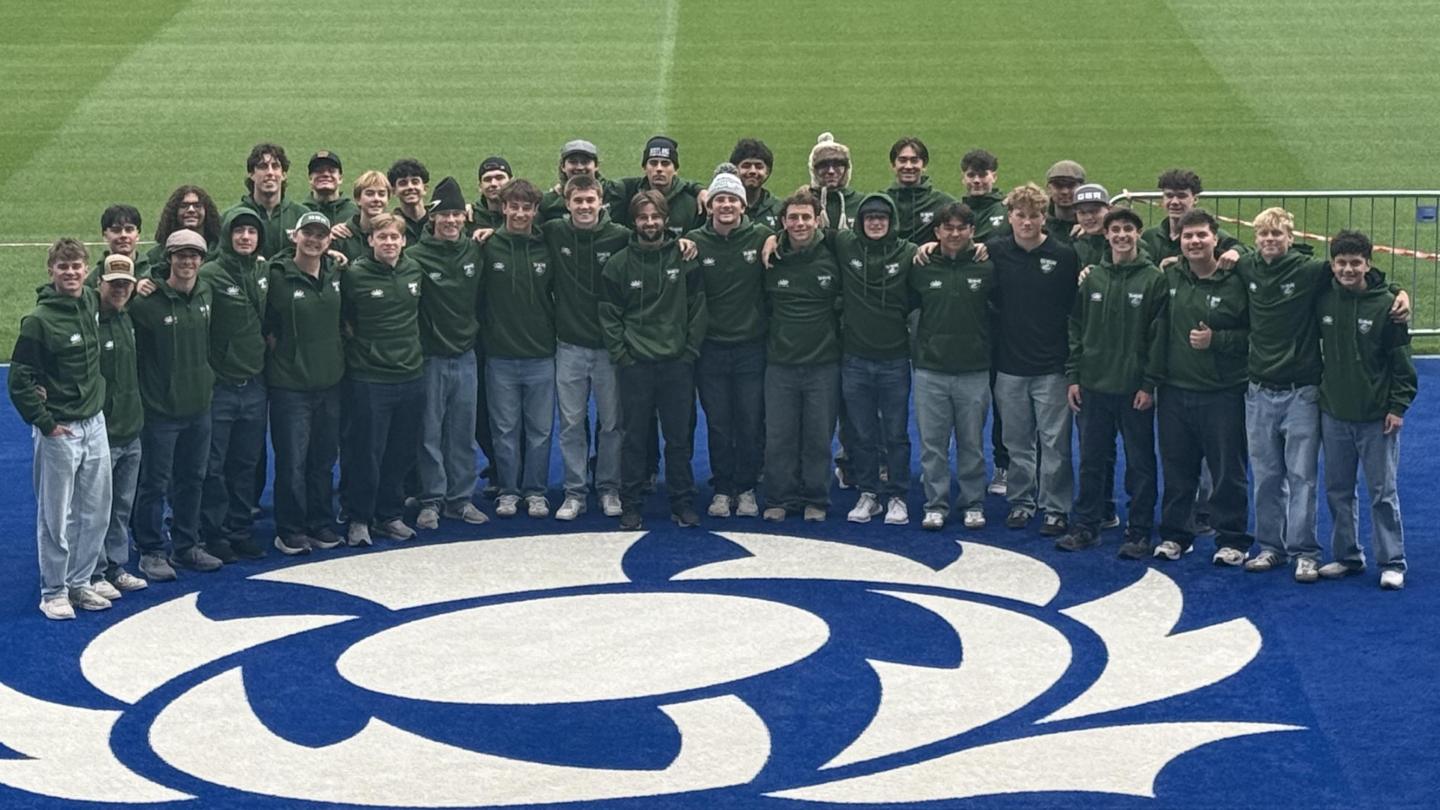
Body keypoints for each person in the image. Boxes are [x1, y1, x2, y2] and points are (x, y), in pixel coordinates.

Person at [1239, 209, 1410, 577]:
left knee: (1362, 488)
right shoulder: (1257, 270)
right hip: (1310, 404)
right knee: (1317, 485)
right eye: (1264, 235)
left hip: (1330, 401)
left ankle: (1376, 559)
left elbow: (1373, 291)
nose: (1347, 270)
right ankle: (1320, 553)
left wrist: (1400, 292)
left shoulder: (1329, 281)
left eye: (1278, 235)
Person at [10, 239, 113, 619]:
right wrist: (46, 423)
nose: (71, 273)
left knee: (96, 511)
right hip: (62, 430)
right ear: (50, 271)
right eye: (63, 266)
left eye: (76, 266)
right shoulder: (38, 321)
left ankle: (80, 583)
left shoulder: (88, 300)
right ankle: (53, 590)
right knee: (56, 515)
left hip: (94, 422)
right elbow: (19, 380)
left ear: (87, 270)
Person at [1058, 207, 1167, 557]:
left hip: (1133, 389)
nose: (1121, 235)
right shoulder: (1092, 278)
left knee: (1140, 464)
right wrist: (1074, 375)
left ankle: (1139, 532)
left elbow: (1158, 337)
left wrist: (1149, 384)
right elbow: (1075, 327)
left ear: (1138, 234)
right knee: (1092, 459)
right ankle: (1087, 525)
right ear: (1106, 235)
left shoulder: (1153, 280)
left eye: (1128, 230)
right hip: (1093, 386)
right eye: (1115, 230)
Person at [599, 190, 707, 530]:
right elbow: (609, 314)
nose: (650, 223)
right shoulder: (618, 264)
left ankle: (682, 501)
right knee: (634, 437)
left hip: (676, 363)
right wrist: (622, 355)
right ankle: (631, 503)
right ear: (635, 221)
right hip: (636, 365)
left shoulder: (684, 256)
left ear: (665, 219)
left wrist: (688, 352)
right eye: (643, 217)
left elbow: (698, 308)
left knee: (678, 439)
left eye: (655, 217)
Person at [1315, 230, 1416, 590]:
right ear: (1332, 264)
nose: (1348, 269)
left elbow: (1403, 366)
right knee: (1337, 489)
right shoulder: (1323, 298)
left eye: (1355, 262)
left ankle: (1392, 561)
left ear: (1368, 264)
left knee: (1382, 492)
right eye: (1341, 262)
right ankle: (1347, 556)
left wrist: (1397, 407)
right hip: (1334, 412)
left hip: (1376, 417)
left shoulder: (1387, 306)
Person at [1153, 209, 1254, 564]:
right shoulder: (1168, 276)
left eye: (1201, 236)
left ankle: (1233, 539)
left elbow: (1257, 334)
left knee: (1227, 470)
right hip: (1174, 391)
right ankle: (1176, 536)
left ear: (1216, 239)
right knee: (1178, 470)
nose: (1194, 242)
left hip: (1222, 391)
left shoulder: (1236, 280)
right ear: (1179, 241)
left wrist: (1218, 340)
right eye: (1187, 236)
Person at [989, 183, 1079, 536]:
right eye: (1020, 215)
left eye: (1034, 216)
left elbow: (1074, 308)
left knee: (1054, 443)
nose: (1027, 222)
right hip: (1009, 366)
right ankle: (1021, 502)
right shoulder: (994, 251)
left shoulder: (1064, 255)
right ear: (1009, 216)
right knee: (1017, 442)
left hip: (1051, 367)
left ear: (1045, 217)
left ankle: (1055, 507)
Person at [129, 230, 218, 579]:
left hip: (199, 407)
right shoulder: (145, 303)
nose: (188, 262)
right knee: (154, 482)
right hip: (161, 412)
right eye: (181, 255)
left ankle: (186, 546)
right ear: (169, 258)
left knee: (193, 478)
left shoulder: (206, 293)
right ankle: (150, 549)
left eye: (194, 255)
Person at [542, 175, 631, 520]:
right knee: (571, 424)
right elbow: (517, 224)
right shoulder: (554, 232)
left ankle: (609, 488)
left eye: (589, 200)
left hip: (608, 349)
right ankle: (575, 492)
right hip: (569, 347)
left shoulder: (620, 236)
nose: (584, 207)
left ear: (601, 202)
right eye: (577, 200)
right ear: (567, 203)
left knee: (611, 423)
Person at [688, 165, 773, 519]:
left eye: (733, 200)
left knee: (750, 422)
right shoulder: (695, 242)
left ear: (743, 206)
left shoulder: (761, 237)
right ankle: (722, 488)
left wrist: (773, 238)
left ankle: (747, 487)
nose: (726, 205)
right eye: (720, 199)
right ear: (711, 205)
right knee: (720, 424)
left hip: (751, 348)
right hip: (711, 350)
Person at [407, 177, 488, 528]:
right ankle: (431, 500)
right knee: (429, 434)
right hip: (431, 358)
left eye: (457, 214)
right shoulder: (414, 258)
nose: (451, 221)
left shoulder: (475, 250)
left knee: (462, 433)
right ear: (433, 219)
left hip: (466, 356)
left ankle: (461, 499)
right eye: (445, 216)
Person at [340, 213, 426, 546]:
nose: (389, 243)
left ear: (404, 241)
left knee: (400, 453)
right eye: (382, 237)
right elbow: (341, 316)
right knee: (366, 452)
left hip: (411, 375)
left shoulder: (413, 270)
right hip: (370, 379)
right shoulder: (354, 275)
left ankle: (389, 515)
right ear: (371, 240)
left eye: (395, 237)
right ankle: (358, 517)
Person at [265, 211, 346, 554]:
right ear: (294, 236)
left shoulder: (338, 273)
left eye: (320, 235)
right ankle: (290, 528)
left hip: (330, 383)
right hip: (291, 387)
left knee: (323, 460)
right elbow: (265, 324)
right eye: (307, 234)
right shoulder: (276, 276)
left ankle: (321, 521)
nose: (313, 240)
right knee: (293, 462)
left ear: (329, 240)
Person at [909, 203, 994, 530]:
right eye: (948, 228)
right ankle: (936, 503)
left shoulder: (987, 267)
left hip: (973, 369)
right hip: (931, 370)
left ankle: (973, 503)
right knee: (933, 444)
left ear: (972, 231)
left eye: (962, 228)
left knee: (972, 443)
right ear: (937, 232)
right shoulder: (921, 266)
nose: (955, 234)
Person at [761, 189, 843, 522]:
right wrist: (770, 240)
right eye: (793, 217)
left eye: (806, 217)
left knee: (818, 437)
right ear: (783, 222)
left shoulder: (834, 250)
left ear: (817, 219)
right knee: (779, 436)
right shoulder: (771, 256)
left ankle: (816, 499)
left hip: (823, 363)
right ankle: (780, 498)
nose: (799, 223)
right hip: (780, 364)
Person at [838, 193, 917, 526]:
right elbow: (804, 231)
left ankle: (897, 495)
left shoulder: (910, 253)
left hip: (895, 360)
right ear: (860, 220)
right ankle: (869, 493)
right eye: (869, 217)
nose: (875, 222)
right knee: (862, 433)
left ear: (891, 221)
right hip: (855, 358)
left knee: (896, 433)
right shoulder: (845, 246)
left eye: (881, 217)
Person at [481, 178, 557, 518]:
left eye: (527, 207)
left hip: (541, 355)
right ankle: (509, 491)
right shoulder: (486, 245)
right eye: (514, 206)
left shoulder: (547, 246)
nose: (520, 213)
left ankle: (536, 492)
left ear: (535, 210)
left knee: (540, 432)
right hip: (500, 356)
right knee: (505, 430)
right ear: (503, 207)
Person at [197, 208, 270, 562]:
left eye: (251, 232)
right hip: (222, 388)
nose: (245, 237)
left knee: (245, 463)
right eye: (239, 231)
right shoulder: (210, 274)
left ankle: (240, 529)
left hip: (254, 385)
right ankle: (213, 533)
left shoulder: (263, 270)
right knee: (214, 466)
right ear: (227, 235)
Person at [91, 255, 149, 596]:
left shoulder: (128, 317)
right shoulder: (91, 321)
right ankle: (93, 571)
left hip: (132, 428)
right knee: (97, 508)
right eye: (113, 283)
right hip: (105, 432)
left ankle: (115, 565)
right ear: (100, 283)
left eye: (125, 284)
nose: (120, 290)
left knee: (122, 506)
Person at [1139, 169, 1243, 264]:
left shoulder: (1208, 234)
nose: (1174, 202)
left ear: (1195, 199)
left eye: (1181, 196)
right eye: (1169, 196)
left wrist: (1234, 252)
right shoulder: (1150, 237)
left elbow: (1244, 249)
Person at [227, 143, 308, 260]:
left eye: (275, 166)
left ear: (284, 174)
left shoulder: (301, 215)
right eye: (263, 167)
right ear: (251, 174)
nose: (270, 173)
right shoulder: (232, 216)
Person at [614, 136, 705, 235]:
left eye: (665, 163)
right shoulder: (628, 192)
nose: (659, 168)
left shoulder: (690, 202)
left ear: (675, 170)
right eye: (653, 163)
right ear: (644, 168)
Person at [884, 136, 954, 245]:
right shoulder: (882, 201)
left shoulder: (943, 203)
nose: (908, 166)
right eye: (902, 160)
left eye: (914, 160)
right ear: (893, 165)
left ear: (924, 165)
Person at [538, 140, 626, 222]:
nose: (579, 167)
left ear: (596, 165)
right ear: (563, 167)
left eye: (585, 162)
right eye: (573, 162)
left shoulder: (616, 191)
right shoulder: (548, 202)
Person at [146, 185, 221, 275]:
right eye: (184, 206)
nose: (191, 210)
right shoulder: (156, 255)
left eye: (197, 206)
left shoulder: (221, 251)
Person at [331, 170, 392, 263]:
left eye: (381, 194)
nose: (376, 199)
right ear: (358, 199)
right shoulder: (342, 235)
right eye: (370, 194)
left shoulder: (396, 234)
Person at [808, 132, 863, 231]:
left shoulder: (861, 203)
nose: (831, 171)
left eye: (837, 165)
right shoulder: (804, 203)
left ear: (847, 169)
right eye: (824, 165)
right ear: (814, 170)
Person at [88, 204, 151, 284]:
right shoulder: (95, 277)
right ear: (105, 236)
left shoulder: (151, 273)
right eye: (116, 230)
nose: (123, 235)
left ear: (138, 234)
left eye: (129, 230)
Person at [731, 138, 783, 229]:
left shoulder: (780, 209)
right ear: (734, 170)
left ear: (767, 172)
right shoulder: (723, 207)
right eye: (746, 166)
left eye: (759, 166)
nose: (752, 171)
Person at [960, 149, 1008, 241]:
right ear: (963, 178)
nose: (976, 180)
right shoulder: (956, 211)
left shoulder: (1007, 208)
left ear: (994, 177)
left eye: (982, 175)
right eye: (971, 175)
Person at [303, 150, 358, 225]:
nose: (325, 174)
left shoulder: (355, 213)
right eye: (319, 171)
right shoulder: (301, 212)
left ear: (340, 178)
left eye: (331, 171)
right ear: (310, 179)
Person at [1043, 160, 1086, 245]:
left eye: (1071, 185)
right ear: (1048, 189)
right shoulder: (1038, 222)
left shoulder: (1094, 223)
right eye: (1058, 186)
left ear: (1083, 188)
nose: (1065, 191)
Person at [389, 158, 431, 244]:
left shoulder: (438, 221)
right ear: (394, 191)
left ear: (425, 188)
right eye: (403, 183)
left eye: (415, 182)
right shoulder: (390, 224)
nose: (410, 187)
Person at [471, 156, 512, 232]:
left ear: (511, 182)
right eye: (487, 179)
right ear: (480, 186)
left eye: (499, 178)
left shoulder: (524, 214)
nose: (493, 183)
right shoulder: (470, 218)